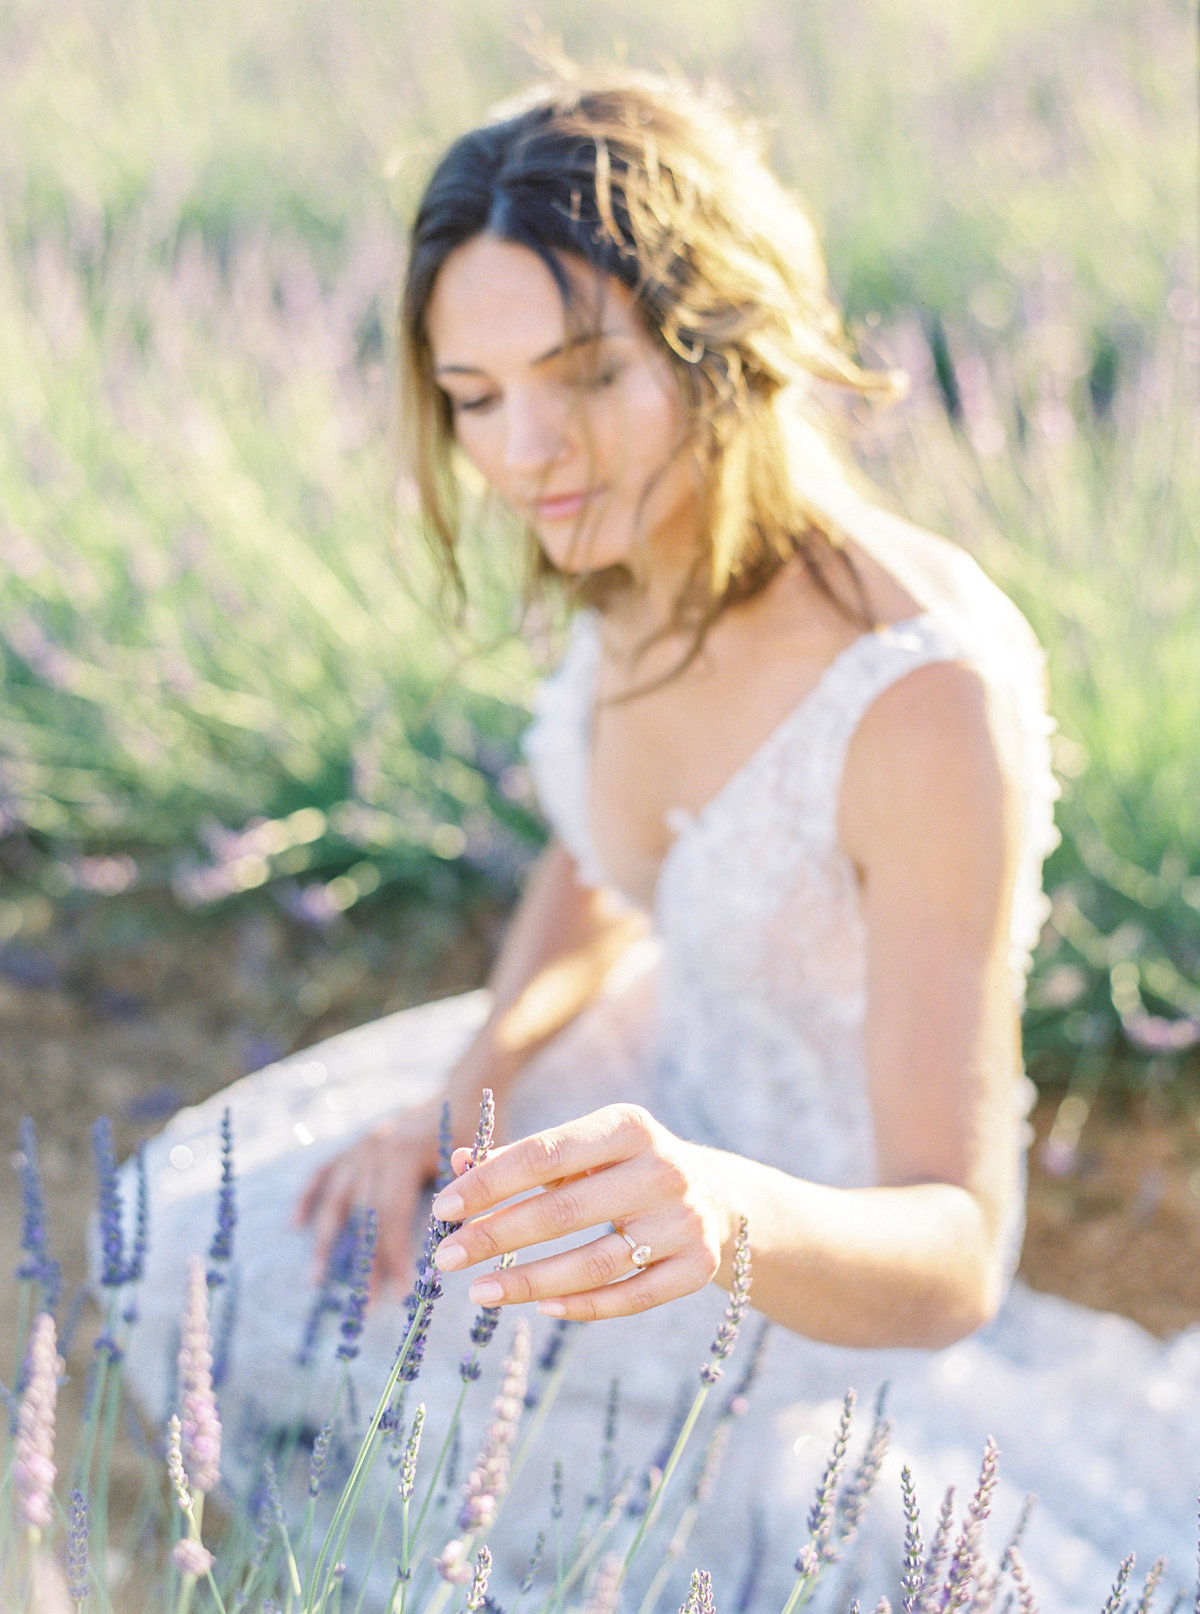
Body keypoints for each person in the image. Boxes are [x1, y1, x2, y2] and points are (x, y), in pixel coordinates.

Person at [116, 68, 1200, 1611]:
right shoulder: (636, 541)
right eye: (474, 398)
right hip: (631, 1105)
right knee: (182, 1246)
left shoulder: (918, 696)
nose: (526, 454)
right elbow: (603, 852)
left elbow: (957, 1251)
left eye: (585, 375)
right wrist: (468, 1093)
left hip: (795, 1257)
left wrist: (721, 1213)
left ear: (724, 342)